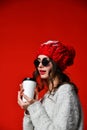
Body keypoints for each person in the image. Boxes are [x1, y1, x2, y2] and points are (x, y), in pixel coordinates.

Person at [18, 40, 83, 130]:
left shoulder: (66, 91)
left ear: (56, 64)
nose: (40, 65)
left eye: (45, 62)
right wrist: (29, 109)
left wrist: (35, 106)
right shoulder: (46, 96)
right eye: (37, 62)